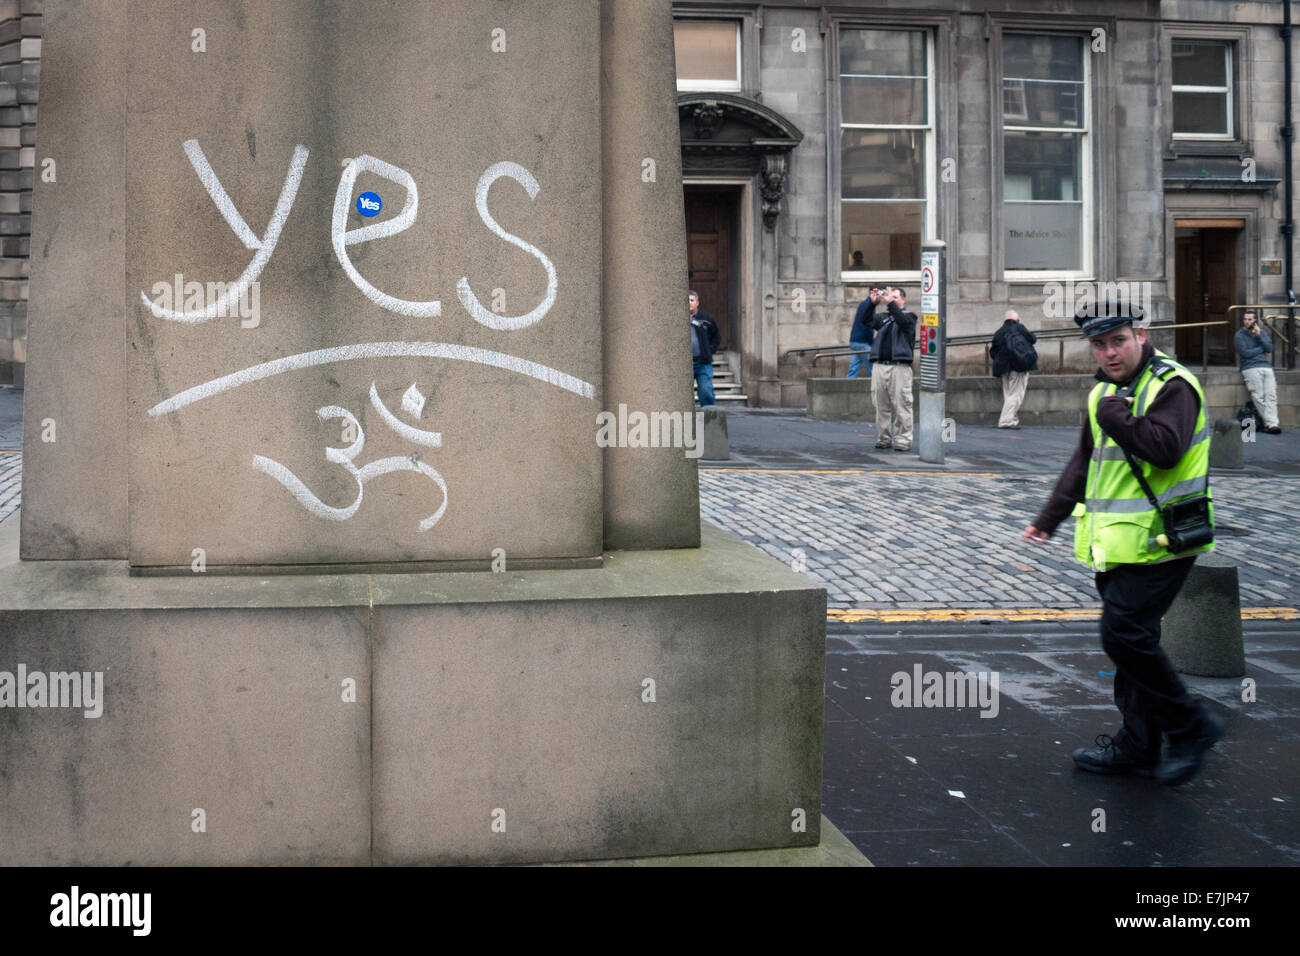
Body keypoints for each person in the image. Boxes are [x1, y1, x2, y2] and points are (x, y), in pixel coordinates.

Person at [1022, 300, 1223, 787]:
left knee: (1122, 635)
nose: (1109, 353)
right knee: (1135, 644)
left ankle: (1191, 727)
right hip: (1117, 543)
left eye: (1118, 341)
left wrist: (1116, 416)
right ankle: (1138, 744)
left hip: (1165, 539)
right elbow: (1084, 461)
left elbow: (1166, 449)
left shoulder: (1171, 385)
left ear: (1140, 334)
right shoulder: (1106, 395)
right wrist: (1050, 517)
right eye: (1099, 345)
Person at [869, 287, 917, 451]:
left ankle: (903, 439)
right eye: (891, 297)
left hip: (899, 366)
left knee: (902, 404)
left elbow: (903, 322)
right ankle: (884, 438)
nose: (893, 300)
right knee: (880, 405)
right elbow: (866, 320)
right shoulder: (884, 318)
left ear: (903, 300)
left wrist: (891, 304)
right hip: (880, 365)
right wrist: (872, 303)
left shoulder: (909, 317)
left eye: (896, 297)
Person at [989, 309, 1037, 428]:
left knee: (1009, 395)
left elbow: (993, 352)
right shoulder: (1019, 327)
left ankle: (1012, 419)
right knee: (1016, 395)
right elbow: (1033, 339)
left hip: (1003, 369)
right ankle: (1005, 421)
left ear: (1005, 319)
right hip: (1018, 366)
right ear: (1017, 319)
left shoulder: (998, 332)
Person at [1235, 311, 1281, 434]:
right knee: (1258, 396)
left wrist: (1259, 335)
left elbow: (1270, 349)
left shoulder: (1262, 333)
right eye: (1245, 319)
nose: (1247, 321)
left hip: (1266, 367)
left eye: (1250, 319)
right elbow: (1245, 353)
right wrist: (1261, 349)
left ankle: (1271, 424)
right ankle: (1272, 424)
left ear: (1255, 321)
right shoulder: (1239, 335)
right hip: (1250, 368)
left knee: (1271, 396)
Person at [689, 290, 720, 407]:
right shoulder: (677, 320)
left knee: (706, 391)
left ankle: (709, 418)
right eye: (687, 300)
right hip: (684, 364)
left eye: (692, 300)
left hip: (703, 363)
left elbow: (716, 336)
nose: (689, 303)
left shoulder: (706, 318)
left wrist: (709, 350)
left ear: (697, 303)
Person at [846, 289, 877, 379]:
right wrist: (872, 342)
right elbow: (868, 327)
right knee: (873, 368)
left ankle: (846, 389)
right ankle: (876, 390)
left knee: (853, 369)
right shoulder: (870, 306)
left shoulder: (863, 304)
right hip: (863, 342)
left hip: (854, 341)